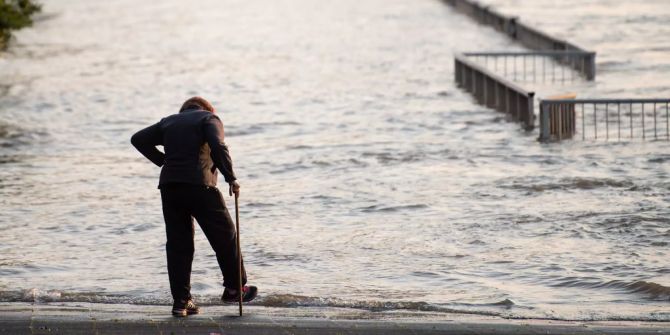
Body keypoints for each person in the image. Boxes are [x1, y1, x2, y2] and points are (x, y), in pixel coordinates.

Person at [131, 96, 257, 317]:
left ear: (183, 111)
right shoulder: (210, 118)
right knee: (225, 237)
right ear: (208, 109)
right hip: (201, 186)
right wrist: (231, 177)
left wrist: (163, 161)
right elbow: (218, 146)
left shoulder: (168, 122)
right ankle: (235, 289)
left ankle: (181, 302)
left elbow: (138, 139)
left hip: (170, 187)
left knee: (179, 245)